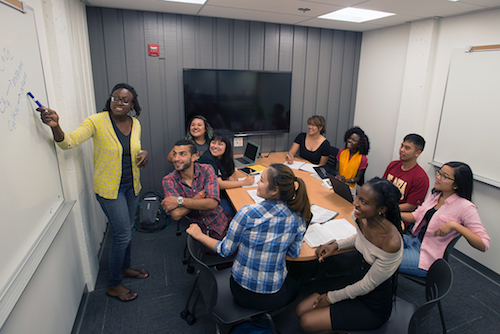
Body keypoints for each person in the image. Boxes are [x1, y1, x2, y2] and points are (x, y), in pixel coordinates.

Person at [37, 83, 149, 302]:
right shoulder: (96, 121)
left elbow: (134, 149)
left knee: (128, 229)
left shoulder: (135, 124)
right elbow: (68, 143)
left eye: (125, 100)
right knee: (122, 234)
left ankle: (125, 268)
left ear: (133, 105)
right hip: (110, 190)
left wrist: (144, 153)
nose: (119, 103)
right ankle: (114, 284)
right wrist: (55, 126)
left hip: (131, 186)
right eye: (115, 98)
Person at [186, 164, 311, 310]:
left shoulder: (247, 213)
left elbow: (225, 250)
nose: (257, 183)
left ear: (275, 190)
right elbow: (294, 253)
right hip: (272, 295)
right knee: (296, 285)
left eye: (262, 180)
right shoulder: (297, 219)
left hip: (240, 291)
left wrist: (199, 235)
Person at [296, 177, 403, 332]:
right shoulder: (360, 217)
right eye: (358, 197)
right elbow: (360, 238)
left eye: (364, 202)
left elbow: (368, 285)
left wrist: (330, 298)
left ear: (382, 209)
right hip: (354, 280)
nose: (356, 203)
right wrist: (336, 245)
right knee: (301, 310)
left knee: (307, 321)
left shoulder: (391, 242)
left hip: (372, 302)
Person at [399, 162, 490, 277]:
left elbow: (484, 244)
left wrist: (455, 226)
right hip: (414, 241)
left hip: (427, 258)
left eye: (444, 176)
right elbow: (416, 215)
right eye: (439, 173)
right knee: (378, 243)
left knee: (382, 258)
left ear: (456, 184)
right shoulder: (436, 194)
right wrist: (394, 211)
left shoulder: (466, 207)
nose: (438, 177)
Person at [162, 139, 230, 240]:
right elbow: (176, 214)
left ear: (193, 157)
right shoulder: (169, 180)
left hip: (220, 221)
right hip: (200, 233)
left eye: (182, 154)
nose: (176, 159)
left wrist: (179, 201)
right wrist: (201, 194)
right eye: (174, 154)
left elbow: (212, 203)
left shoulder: (206, 169)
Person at [198, 132, 255, 214]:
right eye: (213, 143)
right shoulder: (207, 159)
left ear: (226, 147)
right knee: (239, 209)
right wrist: (243, 182)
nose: (215, 146)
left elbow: (231, 171)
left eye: (220, 144)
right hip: (209, 197)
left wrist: (230, 177)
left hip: (220, 193)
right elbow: (219, 184)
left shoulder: (223, 156)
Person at [383, 133, 429, 213]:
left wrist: (386, 209)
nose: (401, 150)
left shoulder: (421, 178)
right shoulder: (393, 165)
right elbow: (381, 185)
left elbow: (410, 206)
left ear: (417, 153)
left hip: (397, 215)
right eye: (402, 146)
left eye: (407, 148)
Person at [336, 126, 370, 192]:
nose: (349, 141)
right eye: (349, 138)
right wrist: (337, 177)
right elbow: (336, 170)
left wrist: (346, 180)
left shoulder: (363, 158)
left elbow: (358, 179)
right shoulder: (342, 152)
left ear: (359, 145)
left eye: (354, 140)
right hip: (337, 182)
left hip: (350, 187)